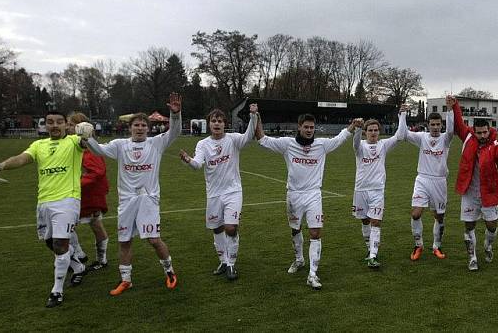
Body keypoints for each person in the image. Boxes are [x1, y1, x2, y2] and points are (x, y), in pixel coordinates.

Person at [0, 111, 88, 308]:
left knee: (59, 244)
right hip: (44, 202)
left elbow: (85, 142)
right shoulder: (38, 145)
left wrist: (87, 134)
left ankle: (57, 291)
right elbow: (22, 158)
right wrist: (2, 165)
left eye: (59, 122)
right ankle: (77, 264)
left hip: (67, 200)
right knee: (50, 242)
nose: (55, 126)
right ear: (45, 126)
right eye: (50, 122)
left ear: (66, 125)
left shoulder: (74, 141)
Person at [86, 92, 183, 296]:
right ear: (129, 128)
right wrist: (86, 138)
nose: (140, 128)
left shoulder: (155, 144)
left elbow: (175, 132)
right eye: (136, 125)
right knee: (125, 241)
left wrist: (175, 114)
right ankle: (126, 280)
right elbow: (98, 150)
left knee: (154, 240)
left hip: (148, 199)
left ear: (148, 128)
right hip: (127, 200)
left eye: (143, 125)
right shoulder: (120, 145)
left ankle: (170, 272)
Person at [256, 113, 360, 290]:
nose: (310, 130)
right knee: (295, 229)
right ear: (299, 127)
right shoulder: (287, 144)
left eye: (312, 127)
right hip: (293, 195)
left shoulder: (321, 145)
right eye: (306, 127)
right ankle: (299, 260)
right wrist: (256, 117)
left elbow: (340, 138)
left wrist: (352, 125)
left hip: (314, 195)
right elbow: (262, 139)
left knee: (315, 232)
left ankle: (313, 273)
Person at [179, 104, 259, 280]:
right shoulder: (203, 144)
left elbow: (248, 137)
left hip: (233, 192)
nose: (216, 123)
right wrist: (187, 160)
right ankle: (223, 261)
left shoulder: (232, 139)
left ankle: (231, 264)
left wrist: (253, 116)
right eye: (213, 121)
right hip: (214, 194)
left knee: (231, 228)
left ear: (225, 124)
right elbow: (198, 164)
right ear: (209, 124)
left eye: (220, 121)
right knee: (217, 229)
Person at [450, 96, 498, 271]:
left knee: (492, 225)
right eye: (479, 132)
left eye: (484, 132)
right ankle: (472, 257)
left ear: (489, 130)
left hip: (489, 191)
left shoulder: (496, 142)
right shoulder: (468, 137)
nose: (482, 136)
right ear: (474, 131)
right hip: (470, 192)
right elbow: (458, 125)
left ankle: (488, 246)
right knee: (469, 225)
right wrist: (455, 105)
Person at [351, 106, 407, 268]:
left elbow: (400, 136)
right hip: (361, 189)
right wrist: (357, 129)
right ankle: (370, 249)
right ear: (365, 132)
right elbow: (355, 144)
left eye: (376, 130)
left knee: (375, 222)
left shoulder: (383, 145)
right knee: (365, 220)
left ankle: (373, 256)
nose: (373, 133)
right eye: (370, 130)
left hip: (377, 190)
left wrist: (402, 115)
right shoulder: (360, 146)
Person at [401, 104, 455, 261]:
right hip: (422, 179)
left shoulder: (445, 139)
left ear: (442, 125)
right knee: (416, 213)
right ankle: (418, 245)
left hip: (439, 181)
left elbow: (451, 131)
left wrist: (450, 110)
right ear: (428, 125)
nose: (436, 127)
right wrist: (403, 114)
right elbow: (404, 133)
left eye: (438, 124)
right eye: (433, 124)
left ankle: (436, 246)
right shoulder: (422, 137)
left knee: (439, 216)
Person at [66, 112, 110, 271]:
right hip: (84, 193)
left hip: (89, 194)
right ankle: (82, 256)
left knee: (68, 224)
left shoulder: (88, 146)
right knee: (76, 224)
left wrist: (74, 184)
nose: (67, 127)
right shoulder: (75, 143)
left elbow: (97, 172)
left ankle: (84, 256)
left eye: (71, 124)